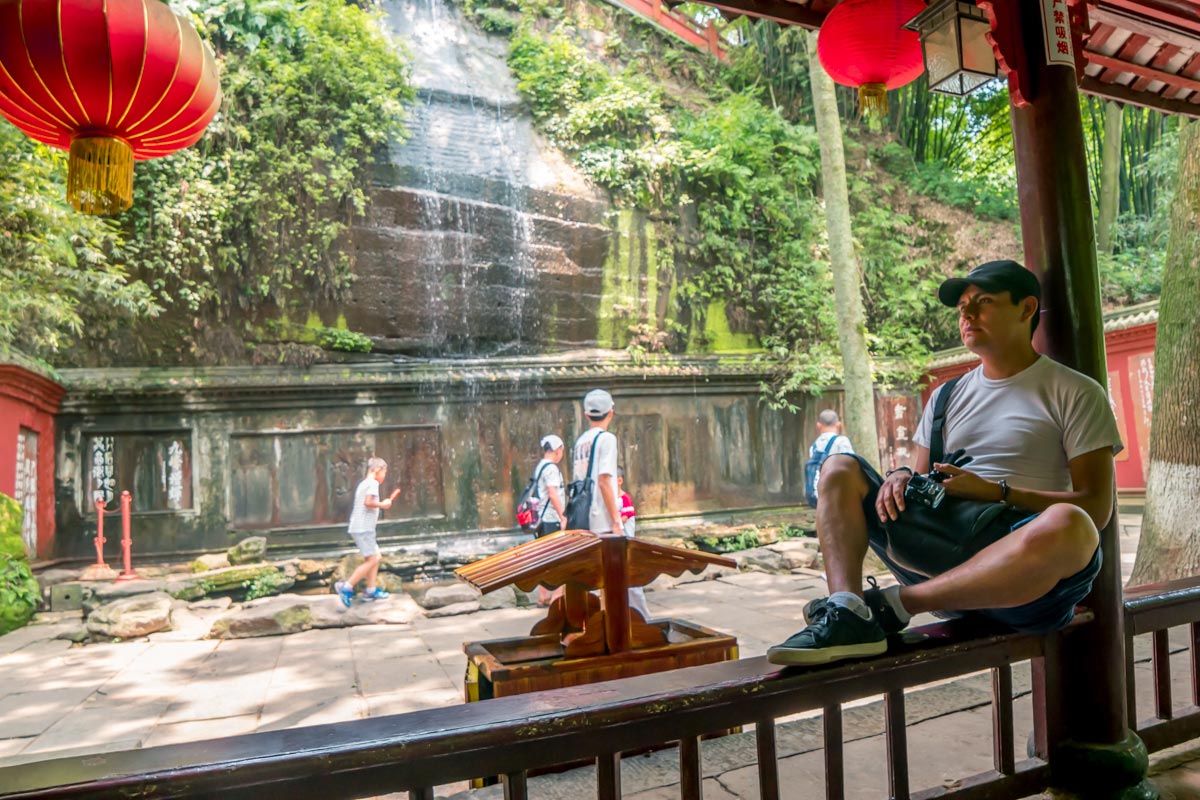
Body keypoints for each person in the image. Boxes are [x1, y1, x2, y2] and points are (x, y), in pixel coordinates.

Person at [768, 260, 1121, 667]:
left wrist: (997, 493)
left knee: (1072, 525)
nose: (967, 315)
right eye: (962, 307)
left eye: (984, 302)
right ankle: (847, 608)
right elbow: (923, 482)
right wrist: (901, 476)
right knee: (839, 467)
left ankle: (893, 606)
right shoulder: (946, 396)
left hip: (1025, 578)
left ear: (1026, 310)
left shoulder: (1073, 392)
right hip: (944, 549)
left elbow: (1097, 507)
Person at [335, 457, 401, 607]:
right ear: (377, 470)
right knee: (373, 559)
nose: (384, 476)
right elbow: (368, 502)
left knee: (374, 557)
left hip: (362, 528)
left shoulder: (364, 484)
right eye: (384, 473)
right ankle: (346, 587)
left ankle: (370, 590)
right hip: (363, 529)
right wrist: (383, 505)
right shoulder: (372, 483)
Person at [573, 389, 622, 537]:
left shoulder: (580, 441)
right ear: (611, 413)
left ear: (586, 415)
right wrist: (616, 521)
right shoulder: (607, 439)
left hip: (582, 517)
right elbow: (604, 480)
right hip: (602, 520)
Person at [618, 468, 652, 620]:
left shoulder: (624, 498)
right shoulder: (611, 500)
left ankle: (643, 616)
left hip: (626, 542)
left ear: (620, 480)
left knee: (633, 585)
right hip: (618, 546)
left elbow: (625, 517)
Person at [805, 409, 855, 506]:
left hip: (819, 492)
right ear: (838, 424)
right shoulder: (842, 441)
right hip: (837, 491)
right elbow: (851, 464)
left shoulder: (814, 446)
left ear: (819, 425)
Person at [534, 434, 567, 538]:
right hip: (551, 519)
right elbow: (552, 494)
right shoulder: (551, 468)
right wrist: (563, 517)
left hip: (542, 517)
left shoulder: (540, 466)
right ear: (557, 450)